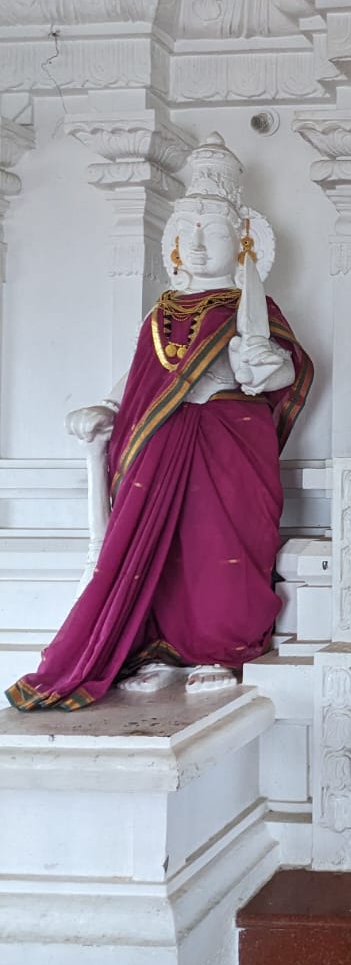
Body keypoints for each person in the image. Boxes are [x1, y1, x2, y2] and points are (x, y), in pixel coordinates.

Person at [7, 135, 312, 710]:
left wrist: (267, 367)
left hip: (228, 444)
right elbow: (140, 380)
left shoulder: (253, 308)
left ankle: (218, 648)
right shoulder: (160, 314)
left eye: (214, 232)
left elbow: (280, 374)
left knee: (220, 546)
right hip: (160, 443)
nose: (198, 246)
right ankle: (158, 650)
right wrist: (106, 408)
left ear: (243, 241)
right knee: (160, 552)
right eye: (188, 231)